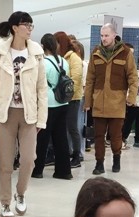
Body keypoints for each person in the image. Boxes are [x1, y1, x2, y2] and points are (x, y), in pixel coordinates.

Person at [0, 11, 48, 217]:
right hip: (5, 114)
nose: (29, 28)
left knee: (29, 160)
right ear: (14, 27)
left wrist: (41, 119)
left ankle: (20, 193)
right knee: (5, 162)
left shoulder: (36, 53)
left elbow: (42, 89)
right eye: (26, 24)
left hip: (29, 114)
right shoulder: (1, 52)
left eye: (31, 25)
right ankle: (5, 202)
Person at [84, 23, 138, 175]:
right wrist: (88, 101)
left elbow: (133, 77)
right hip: (99, 103)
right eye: (102, 35)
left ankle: (116, 159)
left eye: (107, 35)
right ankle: (99, 164)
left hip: (117, 103)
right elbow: (90, 79)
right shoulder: (96, 52)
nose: (104, 38)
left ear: (114, 35)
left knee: (116, 136)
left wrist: (131, 97)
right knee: (98, 136)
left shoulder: (125, 53)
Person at [32, 33, 73, 180]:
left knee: (42, 138)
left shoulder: (42, 63)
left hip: (48, 103)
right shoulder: (64, 61)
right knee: (61, 138)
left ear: (43, 46)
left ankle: (37, 170)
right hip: (63, 102)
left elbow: (38, 84)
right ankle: (64, 171)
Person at [54, 31, 84, 168]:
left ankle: (77, 155)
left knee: (72, 127)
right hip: (62, 99)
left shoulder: (73, 58)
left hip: (72, 99)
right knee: (63, 128)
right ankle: (67, 153)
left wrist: (68, 95)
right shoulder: (60, 57)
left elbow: (76, 78)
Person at [122, 54, 139, 149]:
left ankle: (137, 140)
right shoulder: (135, 74)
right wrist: (130, 98)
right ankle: (123, 139)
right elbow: (132, 87)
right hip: (134, 102)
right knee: (129, 122)